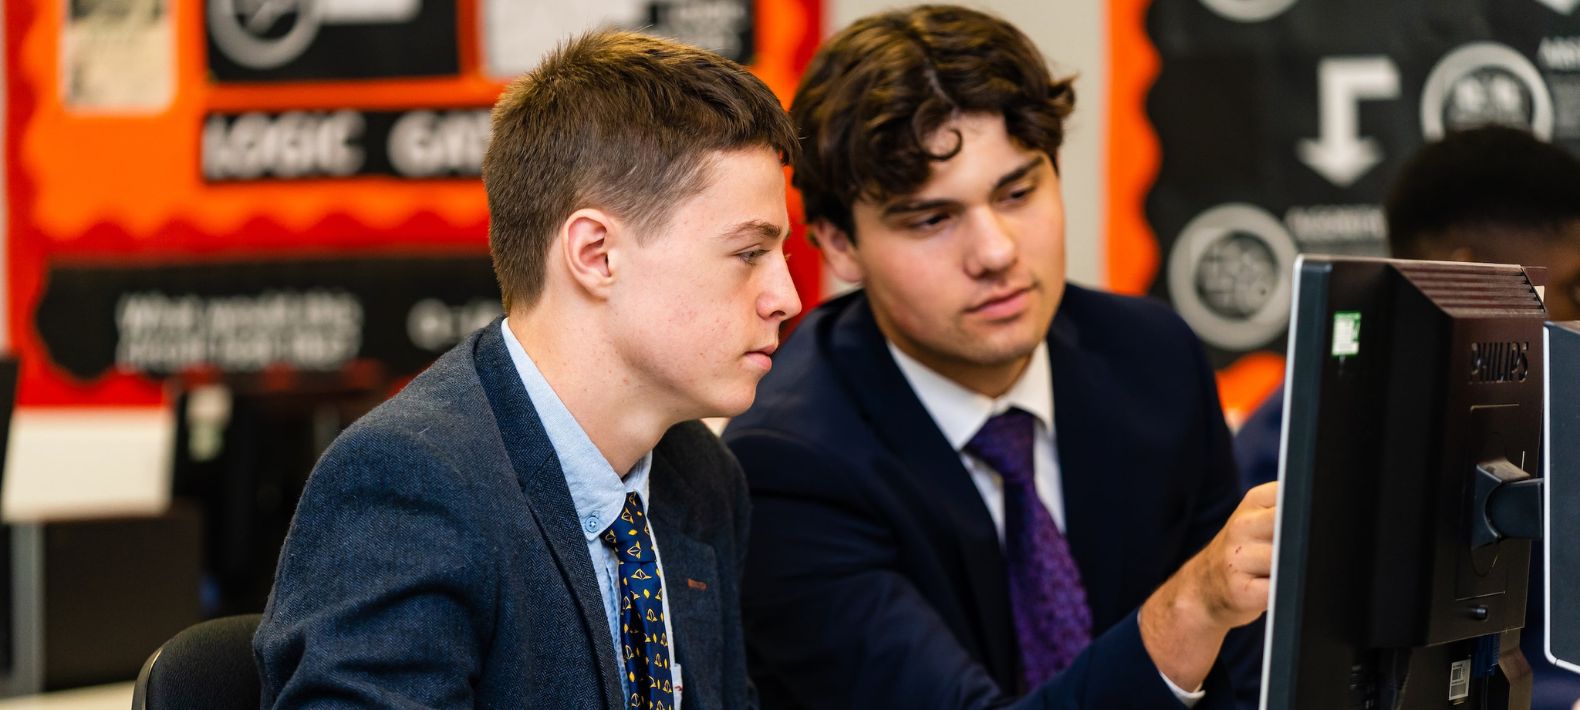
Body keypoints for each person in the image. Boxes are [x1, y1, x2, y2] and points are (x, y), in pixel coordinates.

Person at [724, 6, 1274, 708]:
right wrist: (1191, 608)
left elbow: (1251, 681)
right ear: (838, 246)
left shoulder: (1153, 360)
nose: (996, 252)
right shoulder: (788, 464)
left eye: (1018, 193)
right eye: (931, 218)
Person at [253, 31, 801, 708]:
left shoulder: (700, 476)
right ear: (596, 254)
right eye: (750, 253)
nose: (787, 297)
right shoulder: (410, 480)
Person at [1233, 124, 1580, 708]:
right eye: (1576, 290)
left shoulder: (1544, 417)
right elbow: (1272, 682)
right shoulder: (1301, 442)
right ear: (1475, 278)